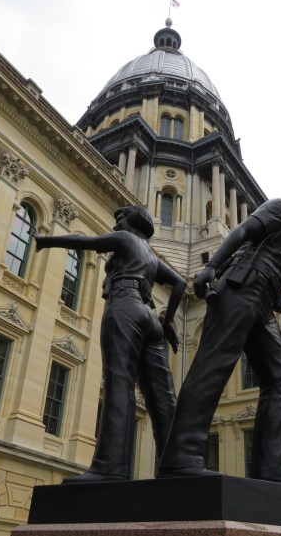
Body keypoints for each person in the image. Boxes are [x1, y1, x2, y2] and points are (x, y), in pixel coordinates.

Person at [157, 189, 281, 483]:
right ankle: (180, 458)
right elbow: (242, 230)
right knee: (212, 368)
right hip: (239, 291)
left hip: (262, 308)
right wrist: (211, 267)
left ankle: (273, 470)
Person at [35, 205, 186, 482]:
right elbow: (179, 283)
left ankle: (110, 467)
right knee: (163, 396)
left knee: (119, 384)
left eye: (120, 220)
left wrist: (46, 240)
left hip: (125, 305)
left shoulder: (127, 240)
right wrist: (167, 322)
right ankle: (179, 464)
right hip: (149, 317)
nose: (116, 226)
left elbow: (86, 242)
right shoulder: (151, 255)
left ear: (132, 222)